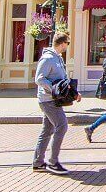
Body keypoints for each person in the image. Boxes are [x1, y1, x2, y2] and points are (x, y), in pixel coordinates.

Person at [33, 33, 78, 174]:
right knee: (62, 126)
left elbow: (62, 80)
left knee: (47, 130)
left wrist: (73, 92)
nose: (67, 46)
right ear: (62, 43)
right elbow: (39, 79)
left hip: (53, 99)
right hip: (48, 100)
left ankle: (38, 163)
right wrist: (53, 88)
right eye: (68, 43)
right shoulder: (47, 58)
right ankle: (53, 162)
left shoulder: (58, 58)